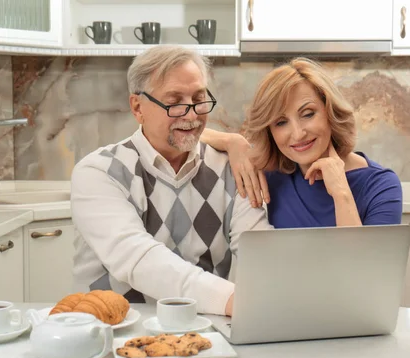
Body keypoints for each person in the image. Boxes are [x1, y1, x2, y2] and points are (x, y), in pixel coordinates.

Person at [70, 45, 272, 317]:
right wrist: (234, 300)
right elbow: (138, 259)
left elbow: (260, 253)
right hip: (113, 332)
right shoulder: (99, 172)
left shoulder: (234, 169)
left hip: (202, 333)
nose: (191, 115)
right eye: (175, 102)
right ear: (138, 107)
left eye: (199, 99)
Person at [201, 57, 402, 228]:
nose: (297, 134)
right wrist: (231, 141)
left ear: (329, 111)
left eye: (308, 114)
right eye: (281, 122)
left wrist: (341, 193)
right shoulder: (271, 176)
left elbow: (366, 271)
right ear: (269, 131)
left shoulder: (380, 186)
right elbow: (181, 133)